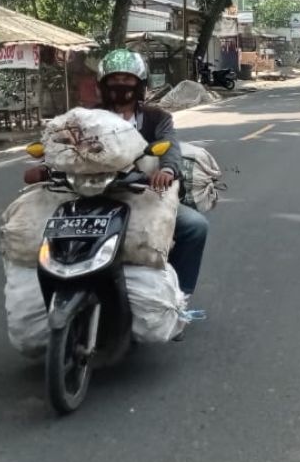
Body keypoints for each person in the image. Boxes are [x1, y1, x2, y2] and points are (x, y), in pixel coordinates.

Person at [24, 49, 209, 300]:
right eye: (114, 79)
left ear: (140, 84)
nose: (120, 85)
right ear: (103, 84)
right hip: (86, 192)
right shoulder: (85, 118)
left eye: (127, 79)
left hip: (140, 193)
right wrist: (46, 168)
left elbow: (170, 146)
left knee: (195, 226)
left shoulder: (157, 117)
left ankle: (179, 296)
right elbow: (67, 149)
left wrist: (166, 169)